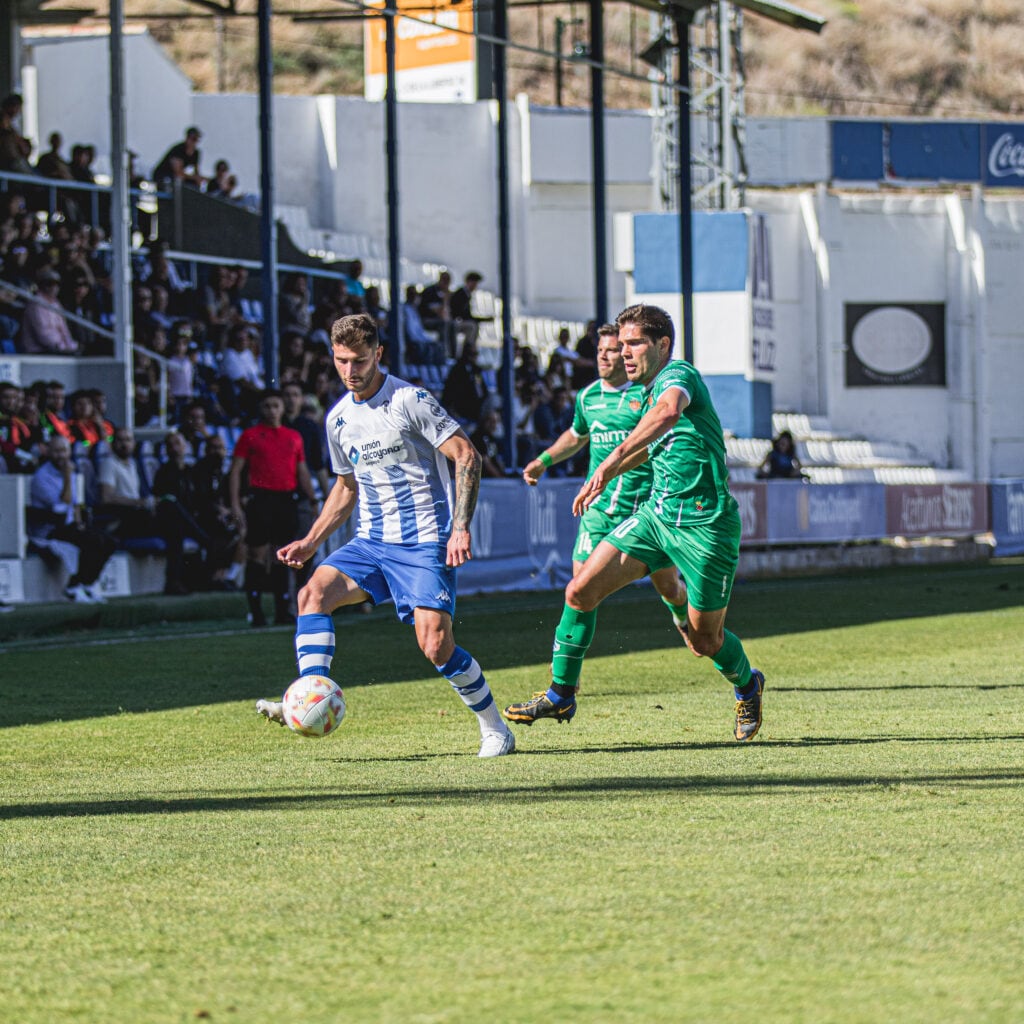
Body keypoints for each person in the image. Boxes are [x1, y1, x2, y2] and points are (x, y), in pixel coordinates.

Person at [256, 313, 515, 759]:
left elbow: (466, 456)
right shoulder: (338, 419)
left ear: (378, 354)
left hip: (424, 540)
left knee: (435, 646)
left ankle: (495, 729)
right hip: (372, 542)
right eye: (341, 362)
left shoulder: (410, 400)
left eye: (358, 361)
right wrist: (311, 541)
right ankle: (305, 694)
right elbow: (345, 487)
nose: (350, 371)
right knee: (312, 595)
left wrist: (459, 528)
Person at [503, 304, 765, 743]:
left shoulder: (678, 376)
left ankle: (747, 684)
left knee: (705, 641)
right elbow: (653, 444)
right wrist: (607, 473)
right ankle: (561, 692)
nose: (625, 353)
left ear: (662, 344)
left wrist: (608, 462)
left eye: (635, 343)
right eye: (620, 345)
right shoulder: (637, 391)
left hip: (706, 523)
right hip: (656, 515)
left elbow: (668, 414)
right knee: (579, 590)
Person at [513, 323, 690, 689]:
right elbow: (577, 436)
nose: (606, 356)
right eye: (601, 351)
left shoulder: (645, 396)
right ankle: (568, 676)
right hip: (598, 510)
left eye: (613, 350)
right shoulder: (588, 397)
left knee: (669, 589)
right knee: (580, 588)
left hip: (643, 510)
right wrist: (544, 460)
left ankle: (683, 620)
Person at [229, 389, 318, 627]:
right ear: (261, 409)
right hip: (261, 499)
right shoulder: (250, 435)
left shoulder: (293, 436)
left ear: (282, 408)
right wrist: (235, 502)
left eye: (275, 406)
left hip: (286, 499)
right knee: (257, 554)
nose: (272, 410)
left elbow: (301, 470)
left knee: (282, 556)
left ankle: (282, 611)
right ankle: (256, 613)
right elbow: (236, 470)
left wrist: (313, 499)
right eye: (267, 406)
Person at [28, 435, 116, 603]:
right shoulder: (42, 477)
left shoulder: (71, 471)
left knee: (109, 541)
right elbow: (63, 503)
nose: (61, 455)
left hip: (68, 525)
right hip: (49, 528)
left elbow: (75, 504)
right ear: (48, 452)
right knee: (92, 541)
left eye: (64, 451)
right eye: (56, 451)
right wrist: (68, 477)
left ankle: (87, 584)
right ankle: (73, 586)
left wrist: (80, 523)